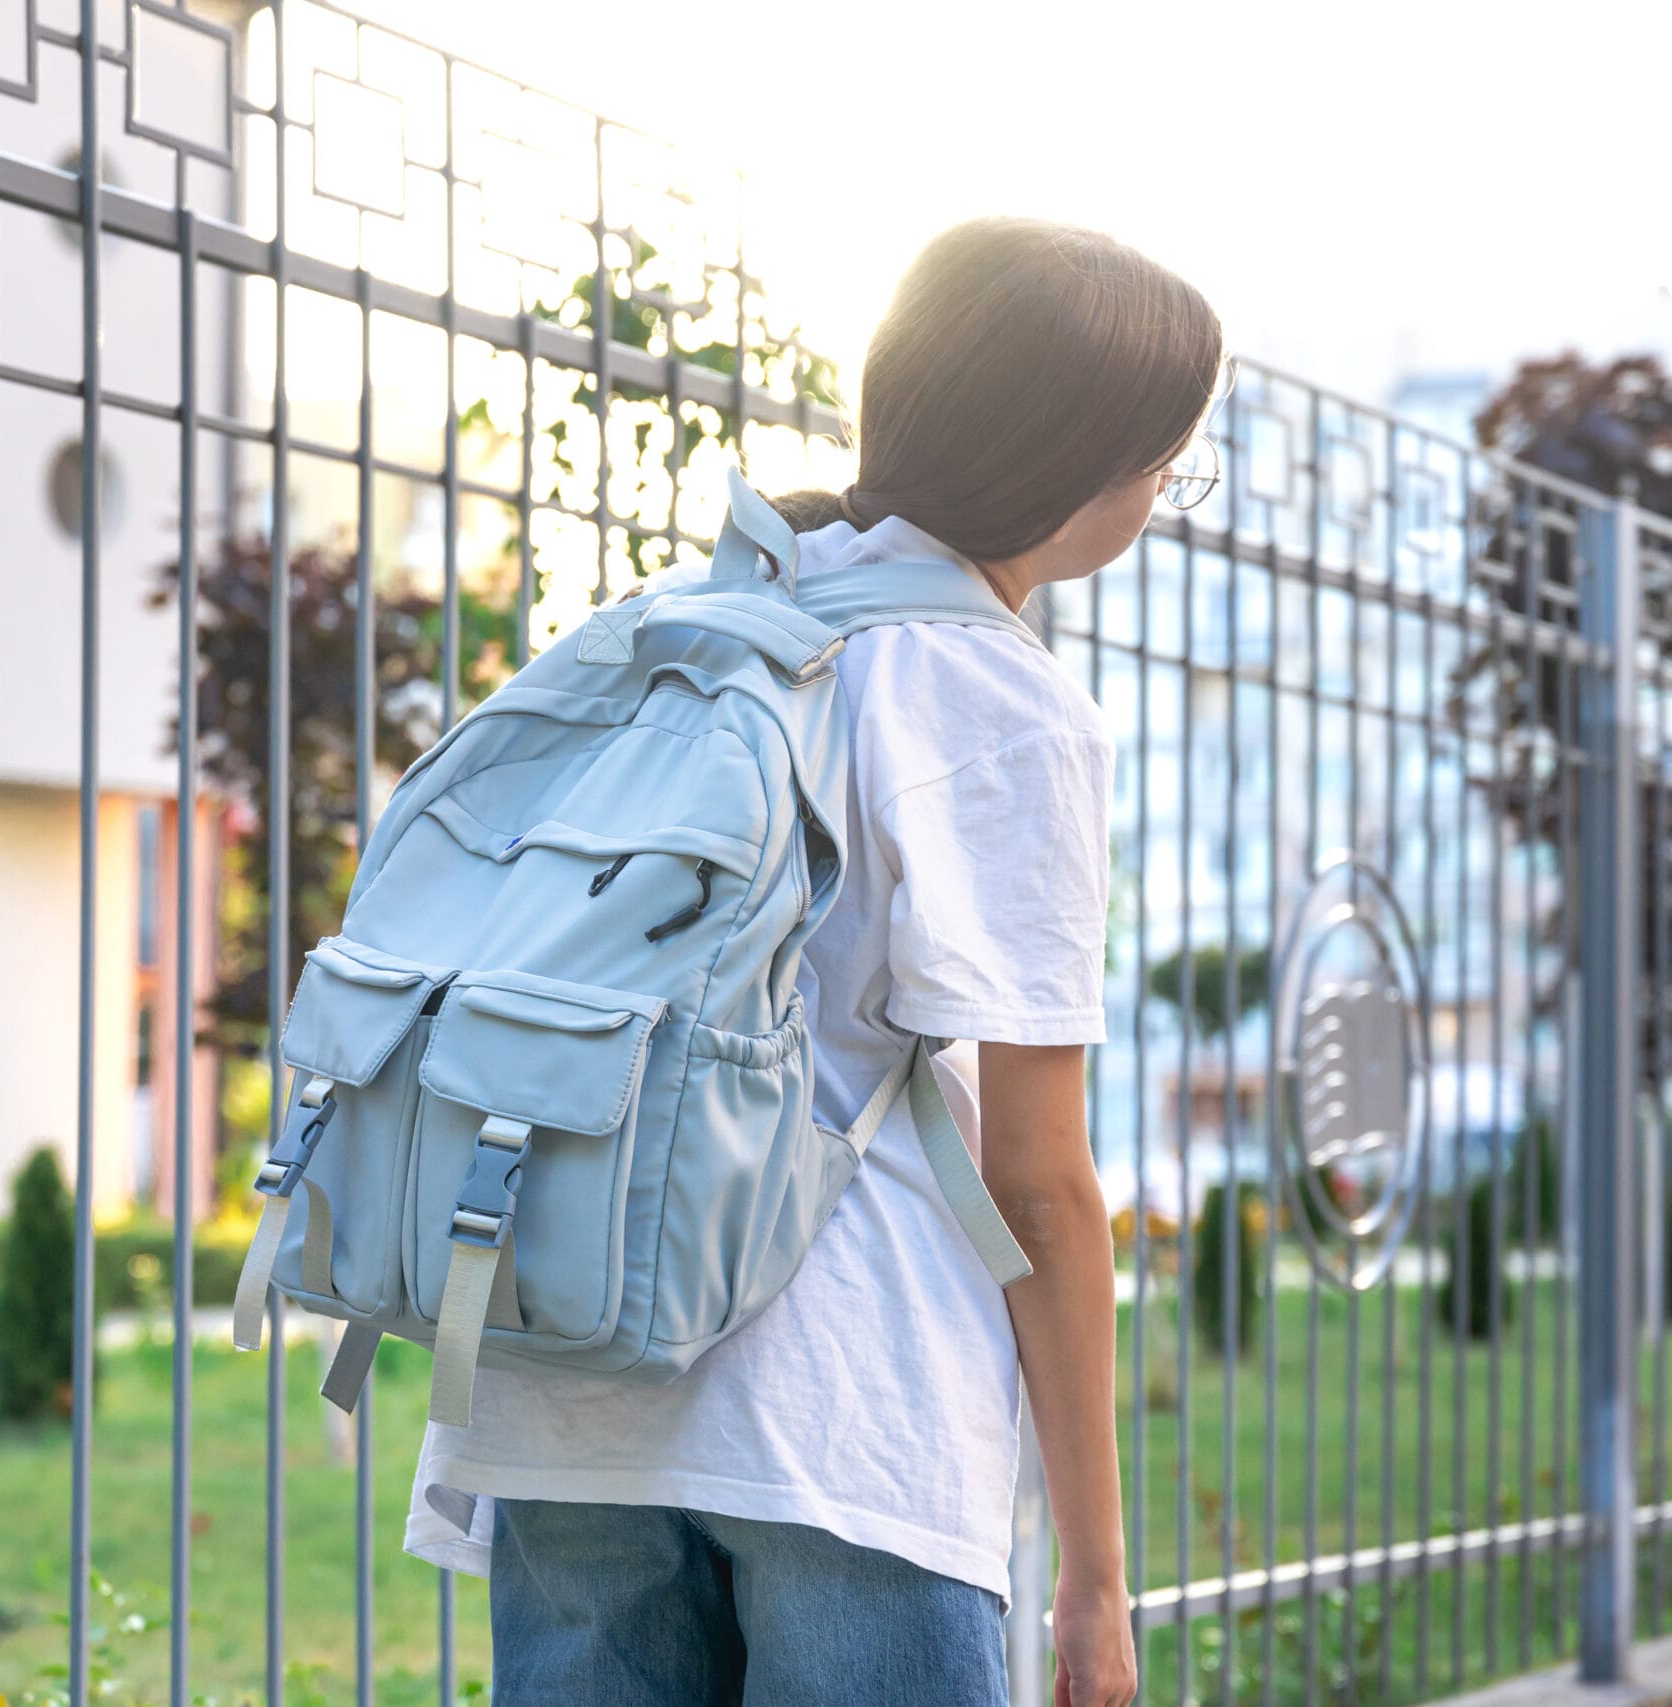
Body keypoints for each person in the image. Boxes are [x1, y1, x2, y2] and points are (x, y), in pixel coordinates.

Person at [402, 215, 1228, 1707]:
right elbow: (1041, 1180)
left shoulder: (663, 623)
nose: (1169, 491)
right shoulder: (997, 696)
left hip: (559, 1372)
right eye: (1171, 458)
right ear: (1077, 462)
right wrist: (1096, 1581)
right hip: (846, 1419)